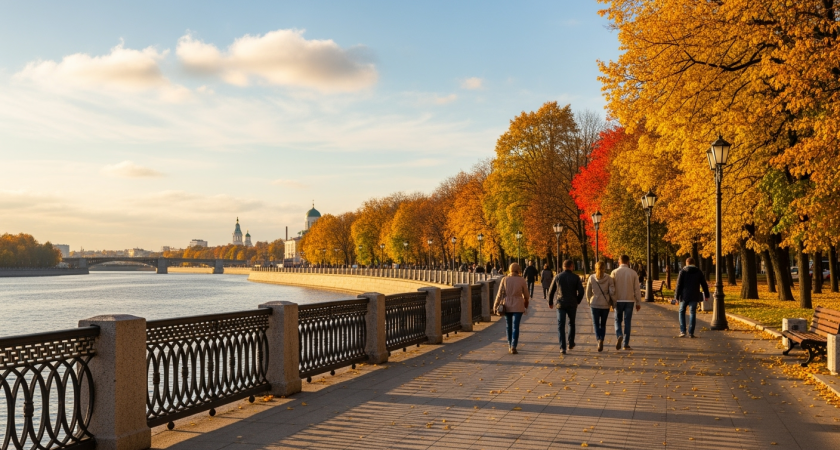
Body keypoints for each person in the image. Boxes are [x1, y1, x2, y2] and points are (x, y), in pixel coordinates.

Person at [548, 259, 584, 355]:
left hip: (561, 303)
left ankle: (562, 347)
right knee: (571, 323)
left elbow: (551, 291)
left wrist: (550, 302)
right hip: (572, 303)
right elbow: (581, 291)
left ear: (563, 267)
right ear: (572, 266)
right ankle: (571, 343)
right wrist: (577, 300)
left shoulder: (558, 277)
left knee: (561, 325)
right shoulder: (576, 277)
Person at [493, 262, 530, 354]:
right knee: (515, 326)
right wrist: (526, 305)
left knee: (508, 325)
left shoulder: (505, 279)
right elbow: (526, 295)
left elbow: (499, 294)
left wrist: (495, 305)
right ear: (518, 270)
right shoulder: (521, 280)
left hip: (507, 305)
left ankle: (509, 345)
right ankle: (514, 345)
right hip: (518, 305)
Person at [611, 255, 641, 350]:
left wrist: (611, 301)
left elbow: (611, 288)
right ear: (628, 262)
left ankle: (619, 334)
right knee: (627, 321)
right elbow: (637, 289)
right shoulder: (633, 273)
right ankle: (626, 344)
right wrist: (638, 302)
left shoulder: (614, 272)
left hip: (618, 300)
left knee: (617, 320)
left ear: (619, 262)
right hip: (629, 300)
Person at [674, 257, 710, 338]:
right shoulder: (698, 272)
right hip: (694, 295)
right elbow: (704, 284)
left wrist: (676, 296)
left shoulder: (683, 272)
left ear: (687, 263)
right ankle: (691, 332)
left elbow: (678, 285)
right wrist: (706, 295)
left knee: (681, 311)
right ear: (694, 263)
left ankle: (683, 331)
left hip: (684, 296)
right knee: (692, 312)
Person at [586, 261, 615, 352]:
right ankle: (602, 338)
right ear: (604, 268)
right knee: (603, 324)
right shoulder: (609, 278)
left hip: (594, 303)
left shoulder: (592, 278)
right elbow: (612, 292)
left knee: (595, 323)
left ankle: (598, 339)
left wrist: (589, 301)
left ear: (595, 268)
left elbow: (588, 292)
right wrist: (612, 302)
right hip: (605, 304)